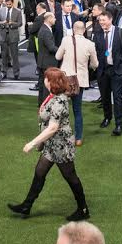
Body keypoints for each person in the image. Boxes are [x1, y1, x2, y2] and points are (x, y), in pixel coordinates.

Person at [8, 68, 88, 221]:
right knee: (40, 172)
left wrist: (32, 143)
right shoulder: (54, 96)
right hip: (52, 145)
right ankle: (26, 206)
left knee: (71, 177)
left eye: (47, 78)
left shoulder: (59, 102)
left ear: (52, 82)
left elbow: (52, 128)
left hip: (61, 147)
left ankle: (83, 209)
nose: (44, 80)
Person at [54, 20, 98, 147]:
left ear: (73, 29)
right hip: (80, 81)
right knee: (77, 110)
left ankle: (59, 134)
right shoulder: (90, 44)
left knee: (60, 108)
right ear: (84, 30)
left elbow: (57, 57)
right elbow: (95, 64)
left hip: (65, 79)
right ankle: (78, 138)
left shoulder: (66, 40)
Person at [92, 12, 122, 137]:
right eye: (100, 20)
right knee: (105, 96)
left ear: (110, 19)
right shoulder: (97, 33)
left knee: (117, 97)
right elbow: (95, 52)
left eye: (104, 20)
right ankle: (107, 117)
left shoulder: (121, 33)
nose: (101, 22)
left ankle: (119, 124)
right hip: (102, 70)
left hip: (116, 70)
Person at [0, 0, 24, 80]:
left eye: (10, 4)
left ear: (13, 3)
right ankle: (3, 72)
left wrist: (12, 23)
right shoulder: (1, 10)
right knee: (4, 55)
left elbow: (20, 23)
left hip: (13, 36)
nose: (8, 6)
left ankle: (16, 73)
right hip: (3, 35)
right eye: (7, 4)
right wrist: (2, 23)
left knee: (14, 56)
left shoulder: (18, 11)